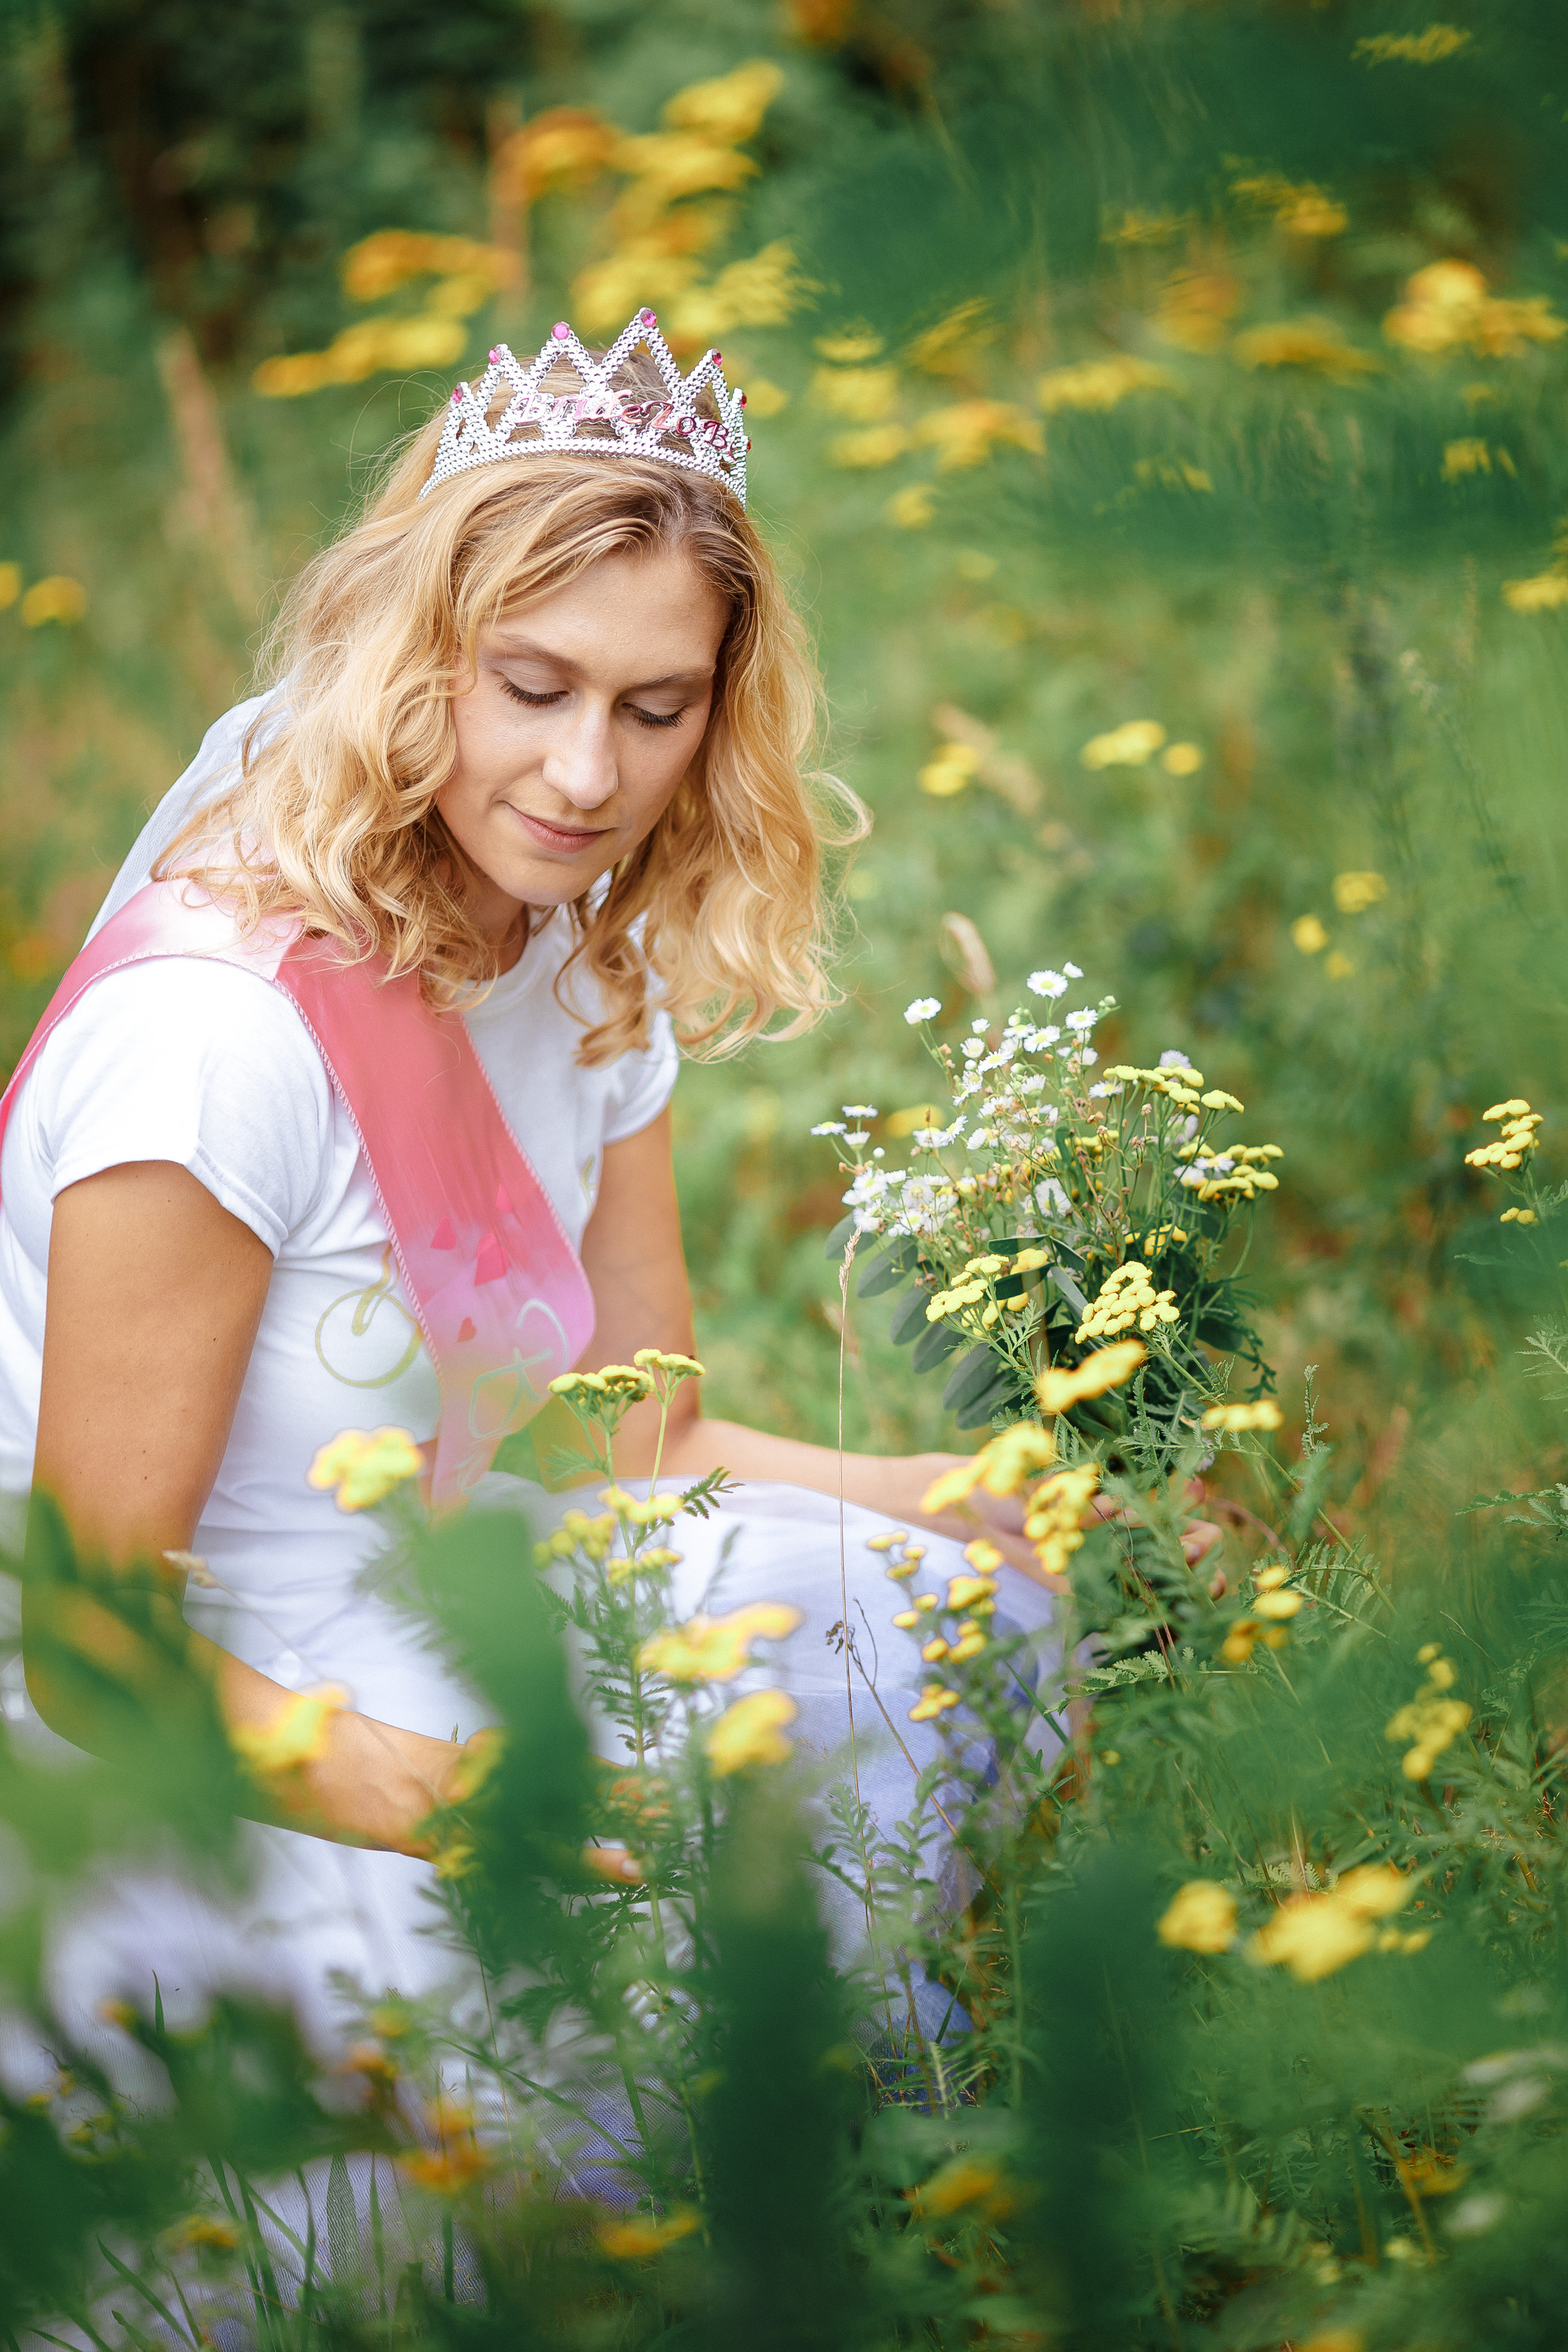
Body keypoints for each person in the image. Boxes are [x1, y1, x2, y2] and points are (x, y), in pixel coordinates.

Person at [0, 314, 1058, 2068]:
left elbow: (634, 1434)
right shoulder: (211, 1046)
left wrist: (945, 1488)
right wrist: (470, 1804)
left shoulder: (577, 956)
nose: (587, 780)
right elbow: (98, 1658)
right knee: (627, 2008)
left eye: (656, 710)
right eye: (533, 687)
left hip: (423, 1578)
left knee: (948, 1610)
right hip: (179, 1720)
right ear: (413, 663)